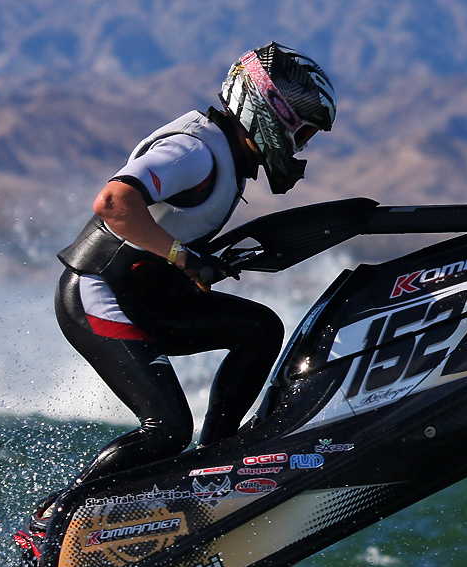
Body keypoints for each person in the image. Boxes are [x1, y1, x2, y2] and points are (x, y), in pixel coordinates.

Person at [52, 42, 337, 493]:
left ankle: (214, 461)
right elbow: (113, 202)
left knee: (260, 329)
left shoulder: (225, 156)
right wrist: (184, 259)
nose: (301, 147)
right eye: (301, 133)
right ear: (270, 113)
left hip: (145, 299)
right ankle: (56, 516)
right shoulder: (194, 151)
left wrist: (198, 265)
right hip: (99, 295)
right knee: (166, 430)